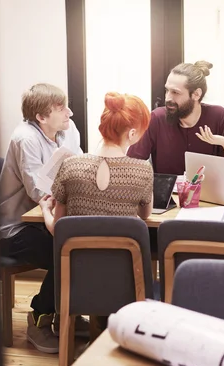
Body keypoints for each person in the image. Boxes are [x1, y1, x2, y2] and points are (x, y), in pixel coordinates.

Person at [40, 92, 154, 331]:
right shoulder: (143, 170)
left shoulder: (71, 166)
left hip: (76, 283)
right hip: (127, 283)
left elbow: (58, 230)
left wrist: (44, 209)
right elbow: (144, 216)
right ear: (132, 134)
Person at [0, 83, 87, 354]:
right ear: (41, 117)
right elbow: (40, 192)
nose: (69, 112)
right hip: (13, 229)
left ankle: (67, 315)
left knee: (84, 248)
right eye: (61, 108)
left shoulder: (68, 131)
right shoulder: (25, 138)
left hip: (45, 221)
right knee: (66, 254)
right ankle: (39, 320)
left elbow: (81, 167)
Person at [127, 60, 224, 175]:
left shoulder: (219, 117)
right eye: (167, 90)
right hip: (168, 194)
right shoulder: (156, 118)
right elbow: (131, 167)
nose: (168, 98)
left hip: (212, 194)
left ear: (196, 94)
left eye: (175, 93)